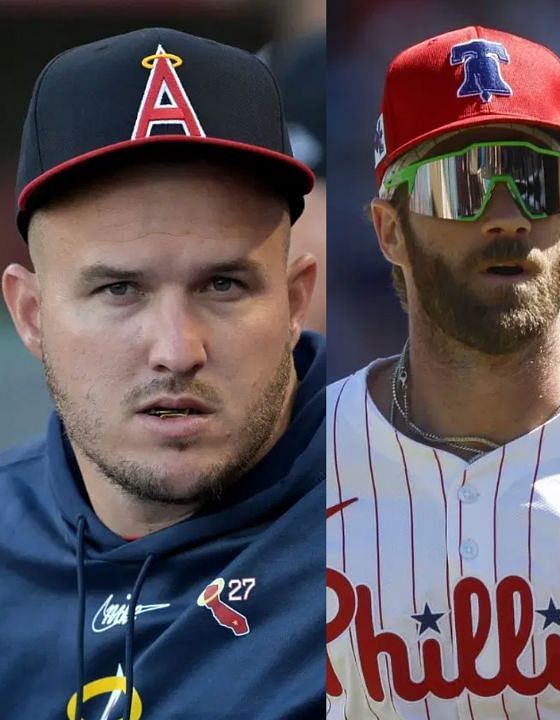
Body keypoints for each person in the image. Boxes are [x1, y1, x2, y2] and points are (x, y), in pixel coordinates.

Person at [324, 26, 560, 718]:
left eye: (536, 182)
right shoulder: (306, 461)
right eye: (462, 185)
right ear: (389, 230)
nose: (507, 218)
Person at [0, 28, 323, 718]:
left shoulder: (413, 538)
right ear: (30, 315)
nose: (177, 351)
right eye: (119, 291)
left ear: (295, 300)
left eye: (224, 286)